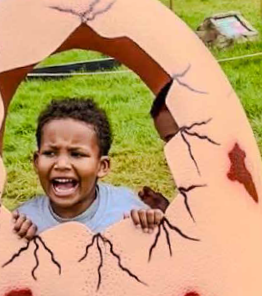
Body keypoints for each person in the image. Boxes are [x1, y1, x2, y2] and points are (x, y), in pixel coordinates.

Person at [10, 98, 161, 240]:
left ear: (102, 166)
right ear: (36, 162)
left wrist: (149, 227)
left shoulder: (126, 209)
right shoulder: (25, 220)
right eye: (50, 153)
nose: (61, 164)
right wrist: (16, 242)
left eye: (76, 154)